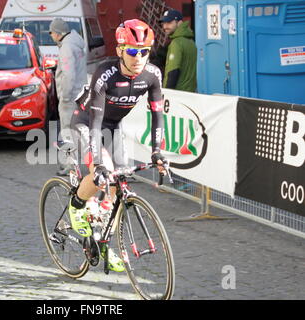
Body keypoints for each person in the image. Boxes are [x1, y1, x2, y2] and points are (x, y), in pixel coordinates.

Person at [69, 19, 167, 272]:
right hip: (87, 122)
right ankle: (77, 205)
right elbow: (95, 120)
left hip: (114, 127)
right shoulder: (106, 73)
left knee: (118, 188)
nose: (139, 57)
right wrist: (99, 163)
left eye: (144, 51)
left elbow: (158, 116)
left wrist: (157, 151)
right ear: (121, 50)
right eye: (133, 51)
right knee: (103, 171)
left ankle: (102, 239)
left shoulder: (153, 75)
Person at [49, 18, 88, 176]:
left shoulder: (66, 48)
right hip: (80, 94)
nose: (51, 36)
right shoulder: (76, 43)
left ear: (58, 34)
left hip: (70, 97)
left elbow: (68, 74)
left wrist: (64, 97)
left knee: (67, 130)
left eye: (51, 32)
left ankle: (71, 165)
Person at [160, 9, 197, 92]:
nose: (165, 26)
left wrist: (167, 93)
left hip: (178, 94)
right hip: (190, 92)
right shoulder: (191, 41)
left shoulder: (176, 43)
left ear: (179, 23)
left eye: (169, 23)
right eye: (164, 23)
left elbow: (173, 71)